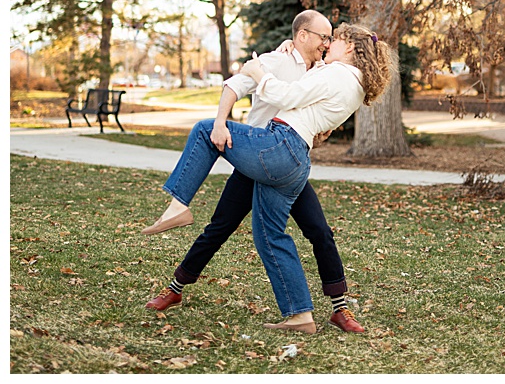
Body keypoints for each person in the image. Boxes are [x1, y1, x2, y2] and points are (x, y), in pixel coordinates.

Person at [142, 22, 394, 335]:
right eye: (324, 38)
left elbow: (289, 96)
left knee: (204, 130)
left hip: (274, 150)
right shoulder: (318, 69)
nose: (327, 44)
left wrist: (257, 69)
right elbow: (239, 87)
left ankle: (178, 204)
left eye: (334, 40)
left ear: (352, 49)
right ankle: (300, 315)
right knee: (259, 234)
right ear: (303, 36)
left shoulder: (333, 72)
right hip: (284, 157)